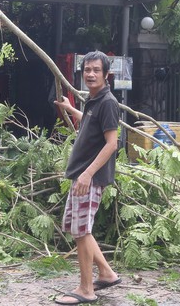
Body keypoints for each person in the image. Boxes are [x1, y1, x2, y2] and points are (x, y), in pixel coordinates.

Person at [53, 51, 122, 305]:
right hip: (82, 176)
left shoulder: (108, 102)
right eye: (87, 70)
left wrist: (87, 174)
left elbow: (112, 143)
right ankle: (106, 273)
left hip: (89, 178)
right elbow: (92, 125)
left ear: (106, 74)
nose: (91, 74)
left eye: (96, 70)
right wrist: (71, 108)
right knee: (79, 229)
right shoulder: (93, 101)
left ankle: (86, 290)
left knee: (82, 230)